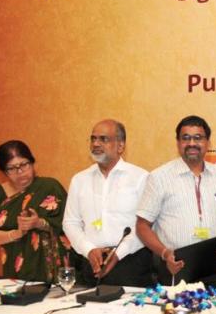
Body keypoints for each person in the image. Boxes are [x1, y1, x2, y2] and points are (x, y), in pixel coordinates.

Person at [136, 115, 216, 289]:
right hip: (176, 266)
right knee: (177, 308)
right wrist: (165, 253)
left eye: (198, 138)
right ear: (178, 143)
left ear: (208, 143)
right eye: (186, 138)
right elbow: (142, 226)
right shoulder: (159, 177)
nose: (192, 143)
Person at [63, 120, 152, 287]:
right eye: (93, 139)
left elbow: (146, 225)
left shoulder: (141, 178)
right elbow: (70, 222)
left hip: (130, 263)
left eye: (103, 139)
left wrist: (118, 253)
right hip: (91, 262)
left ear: (120, 146)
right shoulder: (79, 180)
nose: (96, 144)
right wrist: (89, 249)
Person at [0, 140, 74, 282]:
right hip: (15, 269)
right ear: (4, 171)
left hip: (52, 267)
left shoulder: (50, 187)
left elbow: (71, 224)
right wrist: (16, 233)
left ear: (32, 162)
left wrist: (39, 223)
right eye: (11, 168)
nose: (20, 172)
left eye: (24, 164)